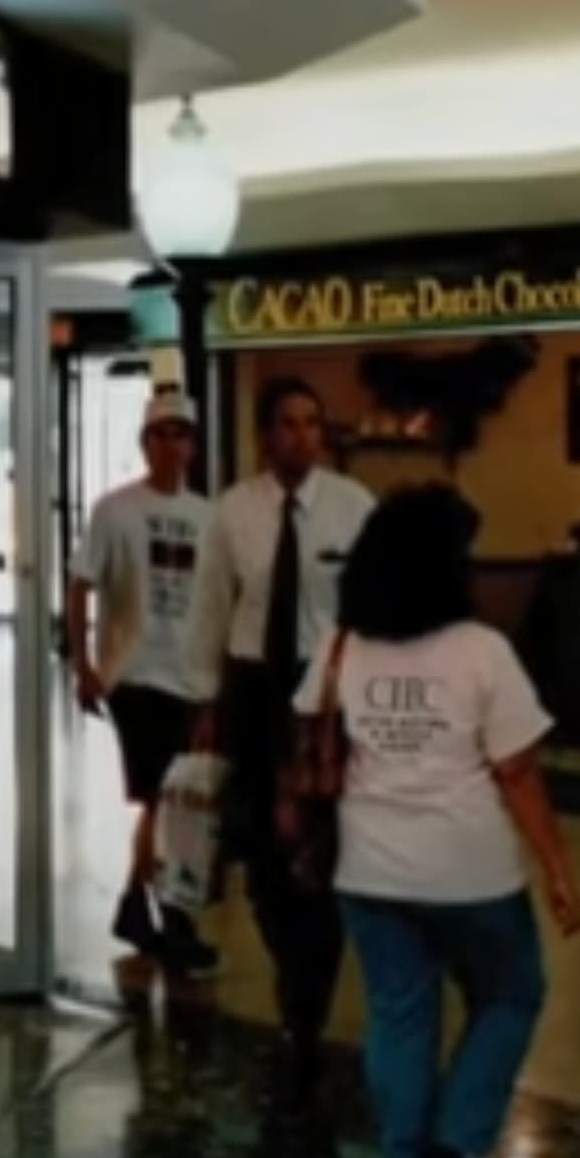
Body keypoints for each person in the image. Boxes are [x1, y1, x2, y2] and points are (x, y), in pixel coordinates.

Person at [293, 485, 580, 1158]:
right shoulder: (481, 651)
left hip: (370, 870)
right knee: (512, 992)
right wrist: (558, 869)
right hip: (471, 873)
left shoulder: (343, 646)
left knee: (400, 1016)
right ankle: (454, 1141)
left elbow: (311, 737)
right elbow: (517, 772)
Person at [190, 376, 375, 1094]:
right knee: (263, 853)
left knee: (321, 849)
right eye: (288, 424)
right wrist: (205, 703)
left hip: (328, 696)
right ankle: (290, 968)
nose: (301, 435)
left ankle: (309, 1000)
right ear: (267, 435)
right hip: (256, 689)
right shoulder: (232, 512)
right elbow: (211, 609)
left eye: (311, 423)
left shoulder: (353, 507)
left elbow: (369, 608)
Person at [68, 389, 217, 973]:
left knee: (166, 800)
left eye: (181, 434)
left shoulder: (208, 518)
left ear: (193, 446)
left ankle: (137, 904)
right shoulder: (115, 511)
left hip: (191, 674)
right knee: (164, 796)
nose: (171, 445)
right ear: (144, 443)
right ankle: (172, 916)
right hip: (135, 674)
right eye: (160, 434)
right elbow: (81, 582)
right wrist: (83, 662)